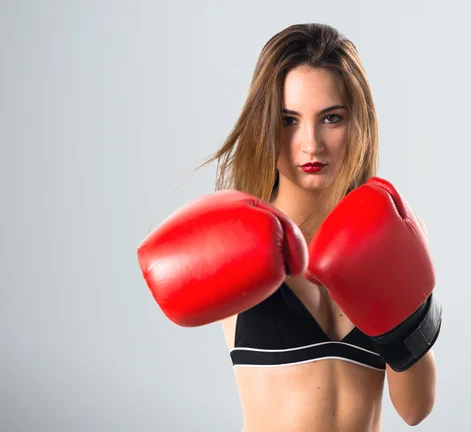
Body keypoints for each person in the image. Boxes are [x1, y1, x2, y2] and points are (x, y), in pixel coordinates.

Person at [137, 23, 442, 431]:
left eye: (331, 118)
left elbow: (415, 409)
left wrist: (409, 310)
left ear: (358, 124)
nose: (311, 143)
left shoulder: (382, 237)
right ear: (266, 126)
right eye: (289, 120)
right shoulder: (239, 234)